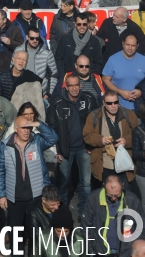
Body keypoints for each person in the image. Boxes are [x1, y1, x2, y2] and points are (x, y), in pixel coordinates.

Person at [0, 115, 58, 236]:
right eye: (23, 128)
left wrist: (38, 124)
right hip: (14, 198)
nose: (26, 131)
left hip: (36, 196)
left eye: (29, 128)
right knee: (16, 235)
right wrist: (1, 195)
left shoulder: (37, 141)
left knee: (37, 234)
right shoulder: (5, 146)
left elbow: (53, 138)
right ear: (15, 129)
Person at [47, 73, 97, 219]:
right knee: (62, 183)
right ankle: (61, 213)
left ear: (80, 85)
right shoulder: (56, 102)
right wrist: (56, 150)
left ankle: (84, 213)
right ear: (66, 87)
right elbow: (52, 127)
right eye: (71, 85)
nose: (74, 88)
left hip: (84, 148)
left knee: (86, 183)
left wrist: (91, 144)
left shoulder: (88, 99)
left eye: (77, 85)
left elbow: (95, 122)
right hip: (64, 149)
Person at [84, 90, 138, 187]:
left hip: (125, 164)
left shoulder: (129, 115)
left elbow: (138, 136)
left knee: (125, 194)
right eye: (109, 103)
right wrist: (100, 139)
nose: (113, 105)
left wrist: (126, 140)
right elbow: (87, 135)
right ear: (104, 103)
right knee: (106, 194)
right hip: (104, 164)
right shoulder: (94, 116)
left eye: (116, 102)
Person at [83, 175, 145, 257]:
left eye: (117, 195)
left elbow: (141, 227)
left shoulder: (132, 200)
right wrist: (91, 251)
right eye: (110, 195)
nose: (113, 198)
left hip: (125, 252)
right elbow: (86, 226)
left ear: (122, 186)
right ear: (104, 186)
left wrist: (134, 249)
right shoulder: (94, 198)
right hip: (100, 251)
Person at [14, 26, 58, 101]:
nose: (35, 41)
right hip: (21, 93)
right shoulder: (18, 51)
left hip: (40, 95)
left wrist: (47, 94)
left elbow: (54, 75)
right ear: (27, 37)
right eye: (32, 38)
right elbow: (12, 71)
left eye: (37, 38)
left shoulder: (47, 53)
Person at [102, 35, 145, 110]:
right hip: (118, 106)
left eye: (133, 45)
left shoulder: (143, 60)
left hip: (140, 107)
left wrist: (141, 92)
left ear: (137, 46)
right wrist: (120, 92)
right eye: (128, 45)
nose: (130, 48)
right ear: (123, 44)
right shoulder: (113, 59)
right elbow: (105, 79)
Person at [54, 12, 103, 77]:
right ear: (75, 24)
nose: (82, 27)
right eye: (79, 24)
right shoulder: (66, 39)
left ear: (88, 24)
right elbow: (59, 59)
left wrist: (92, 76)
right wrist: (63, 75)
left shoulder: (94, 41)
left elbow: (98, 62)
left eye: (84, 24)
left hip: (88, 77)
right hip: (69, 76)